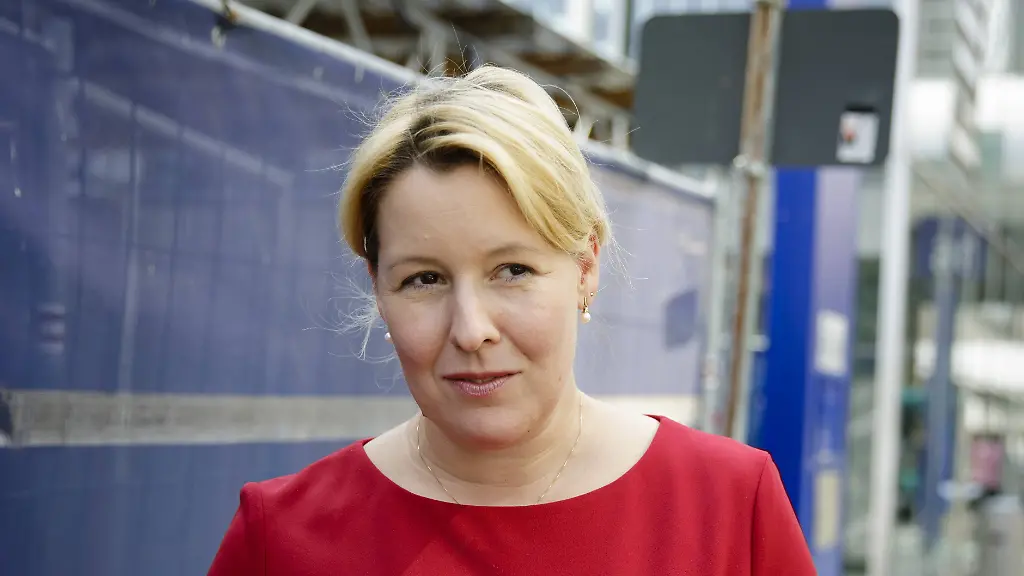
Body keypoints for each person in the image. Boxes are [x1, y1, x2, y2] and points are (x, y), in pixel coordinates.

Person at [208, 65, 816, 575]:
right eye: (424, 279)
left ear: (585, 266)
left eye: (512, 270)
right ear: (377, 287)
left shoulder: (731, 505)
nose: (471, 330)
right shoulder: (281, 539)